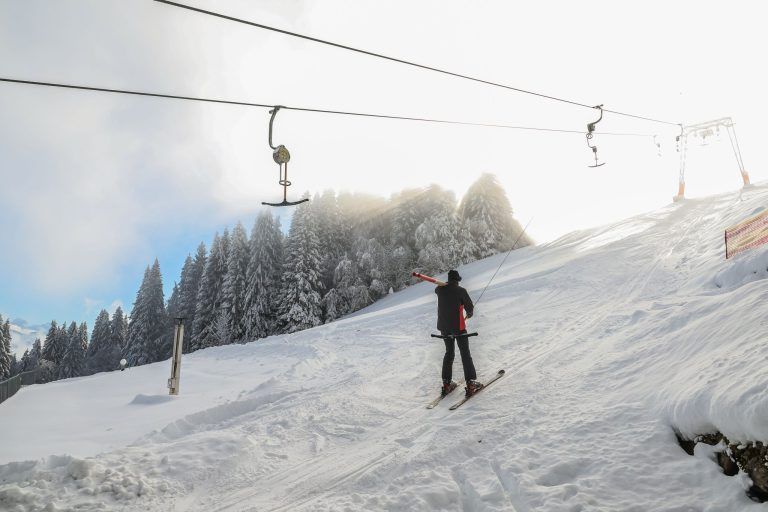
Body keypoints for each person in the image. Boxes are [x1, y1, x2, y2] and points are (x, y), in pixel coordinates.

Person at [435, 269, 483, 397]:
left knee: (449, 353)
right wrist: (469, 313)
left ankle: (446, 383)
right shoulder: (461, 291)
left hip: (444, 328)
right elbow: (470, 309)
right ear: (457, 280)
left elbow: (437, 289)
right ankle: (471, 383)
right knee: (465, 354)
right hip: (458, 328)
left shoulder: (440, 290)